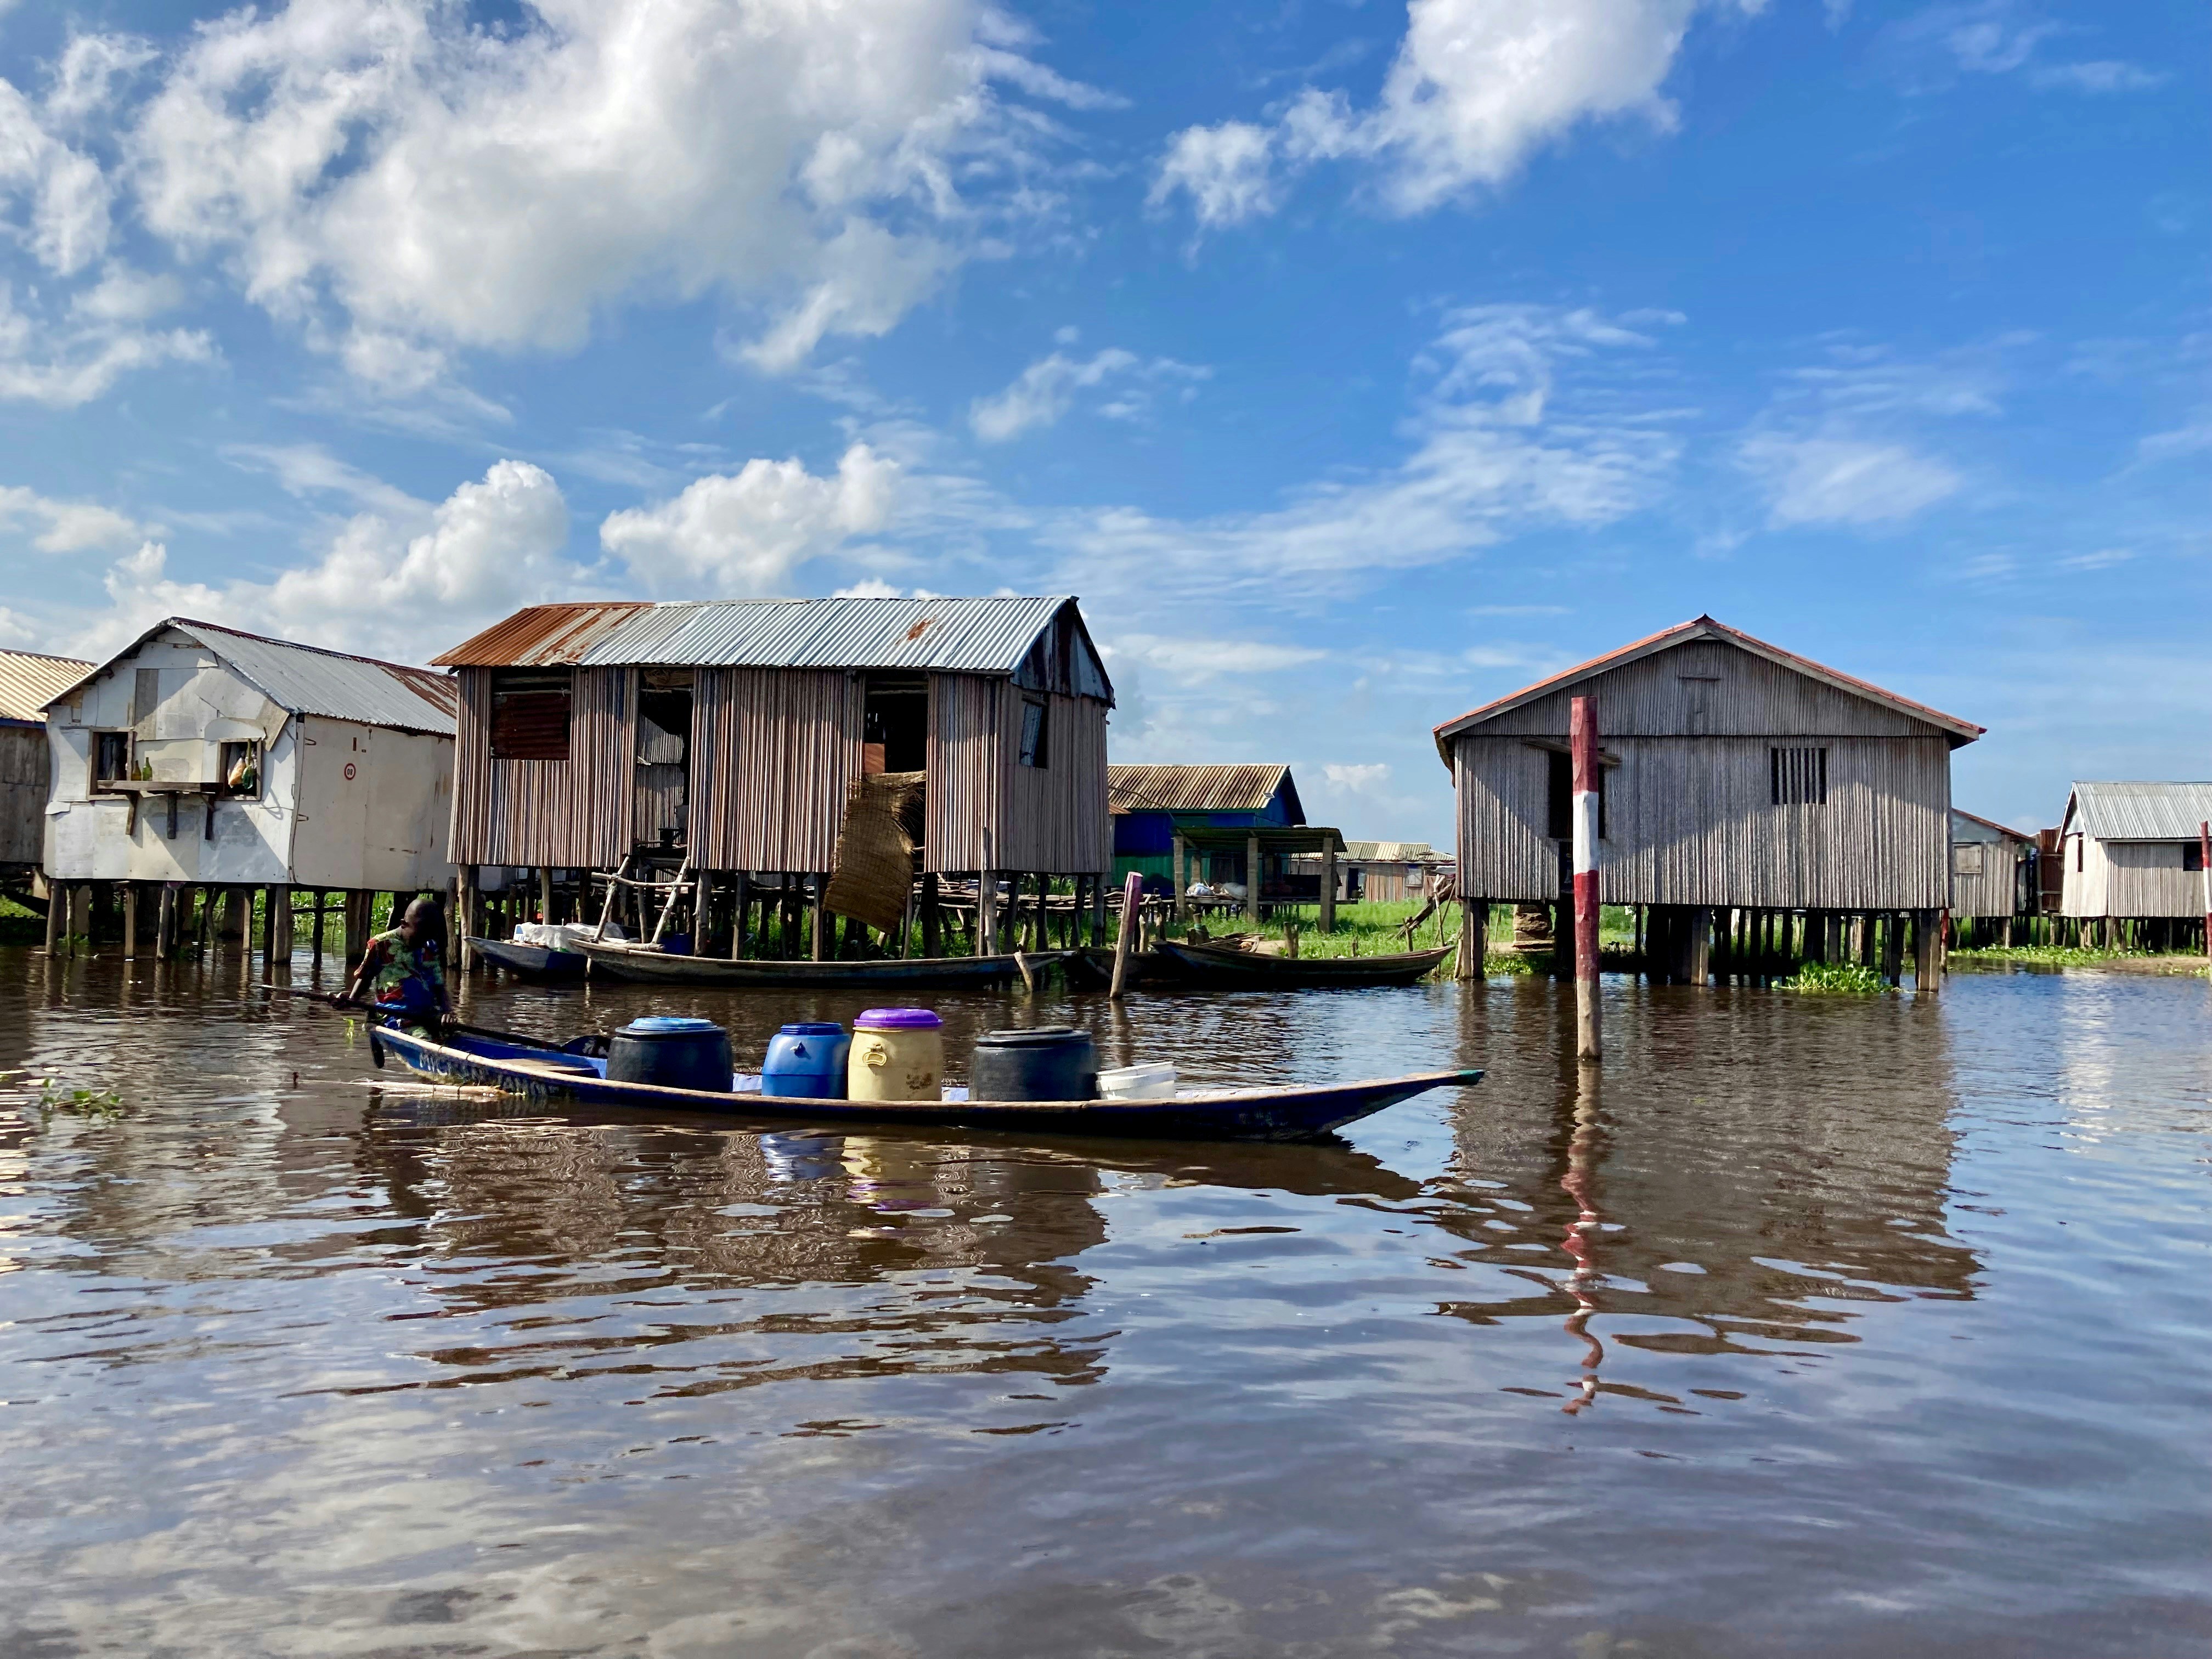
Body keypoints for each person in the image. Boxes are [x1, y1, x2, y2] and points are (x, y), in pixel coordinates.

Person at [341, 895, 452, 1031]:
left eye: (427, 937)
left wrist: (448, 1012)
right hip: (394, 1016)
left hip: (428, 1016)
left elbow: (439, 986)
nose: (423, 942)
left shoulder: (430, 946)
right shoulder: (381, 944)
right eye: (419, 937)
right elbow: (365, 978)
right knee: (423, 1037)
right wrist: (351, 1000)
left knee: (453, 1037)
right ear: (404, 924)